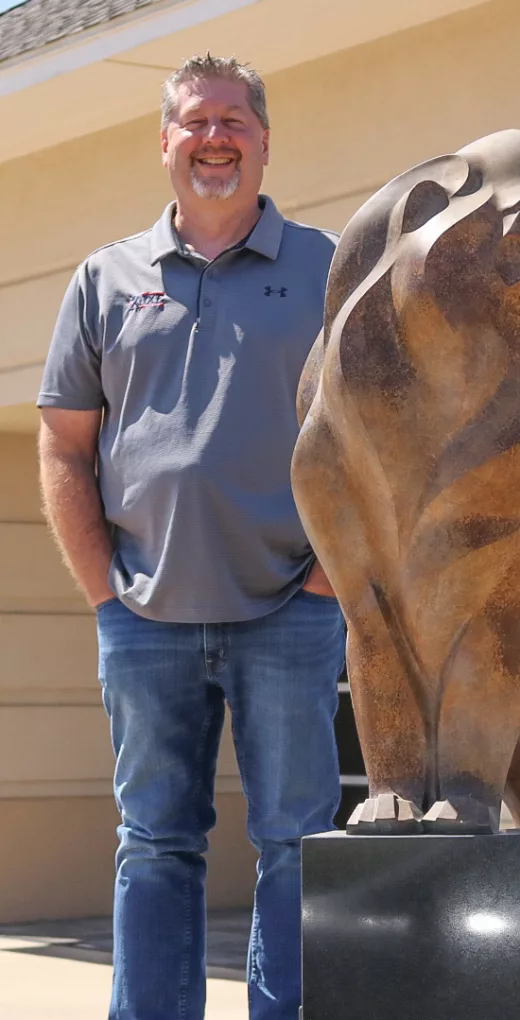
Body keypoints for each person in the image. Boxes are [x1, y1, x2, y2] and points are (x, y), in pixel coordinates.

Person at [36, 54, 343, 1020]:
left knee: (297, 841)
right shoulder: (105, 278)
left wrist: (332, 577)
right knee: (154, 841)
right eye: (196, 121)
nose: (216, 137)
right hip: (145, 617)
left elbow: (380, 430)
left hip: (291, 610)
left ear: (264, 139)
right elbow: (63, 444)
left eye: (235, 120)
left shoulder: (328, 269)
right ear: (165, 142)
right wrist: (103, 596)